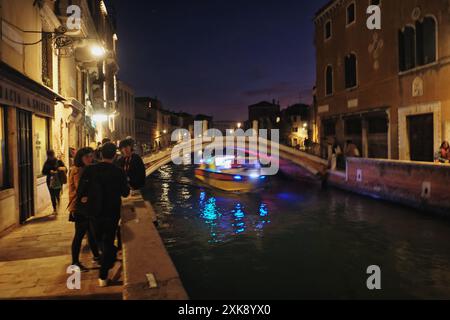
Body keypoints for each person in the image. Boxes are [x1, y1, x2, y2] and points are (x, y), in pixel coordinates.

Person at [78, 143, 130, 287]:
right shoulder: (118, 171)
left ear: (100, 155)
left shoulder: (90, 170)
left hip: (95, 212)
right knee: (107, 241)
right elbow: (125, 193)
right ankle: (104, 272)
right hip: (111, 212)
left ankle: (106, 265)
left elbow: (81, 190)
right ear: (114, 155)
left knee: (100, 240)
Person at [68, 147, 100, 272]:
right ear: (80, 158)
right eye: (87, 157)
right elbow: (80, 189)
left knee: (90, 232)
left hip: (84, 207)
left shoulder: (85, 168)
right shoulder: (78, 170)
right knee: (80, 234)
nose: (90, 159)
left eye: (91, 156)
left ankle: (96, 256)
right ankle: (75, 262)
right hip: (79, 207)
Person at [42, 150, 67, 214]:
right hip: (50, 181)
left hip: (58, 180)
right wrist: (49, 172)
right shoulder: (46, 163)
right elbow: (43, 172)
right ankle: (55, 209)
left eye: (52, 155)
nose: (51, 157)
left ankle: (58, 206)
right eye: (50, 155)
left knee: (57, 194)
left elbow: (65, 169)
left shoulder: (58, 161)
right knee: (52, 195)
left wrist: (60, 169)